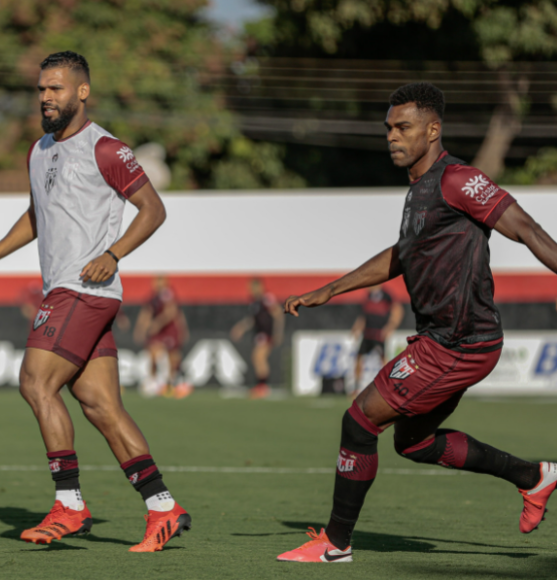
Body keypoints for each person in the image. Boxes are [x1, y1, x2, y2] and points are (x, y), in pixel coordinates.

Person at [277, 83, 557, 564]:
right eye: (388, 127)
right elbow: (401, 255)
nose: (392, 136)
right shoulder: (419, 190)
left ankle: (336, 543)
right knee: (415, 442)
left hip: (457, 344)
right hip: (445, 339)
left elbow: (527, 228)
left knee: (359, 421)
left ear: (433, 129)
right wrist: (331, 289)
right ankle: (534, 477)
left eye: (402, 127)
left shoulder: (457, 180)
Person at [0, 51, 190, 552]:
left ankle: (69, 504)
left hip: (82, 290)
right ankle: (162, 507)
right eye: (42, 89)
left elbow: (154, 209)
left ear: (81, 92)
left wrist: (114, 253)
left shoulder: (105, 148)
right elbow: (38, 213)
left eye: (56, 88)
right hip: (71, 292)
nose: (46, 97)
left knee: (34, 382)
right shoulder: (38, 150)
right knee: (100, 405)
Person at [133, 275, 191, 398]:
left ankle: (173, 383)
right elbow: (146, 313)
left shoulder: (167, 294)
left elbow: (173, 312)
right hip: (159, 332)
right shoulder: (153, 297)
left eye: (159, 282)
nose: (157, 285)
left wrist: (158, 324)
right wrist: (141, 329)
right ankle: (152, 383)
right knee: (153, 354)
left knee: (173, 359)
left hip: (170, 330)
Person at [230, 279, 284, 399]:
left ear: (260, 287)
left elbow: (278, 313)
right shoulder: (255, 303)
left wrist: (278, 333)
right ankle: (261, 385)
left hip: (267, 333)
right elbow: (252, 320)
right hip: (260, 334)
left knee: (259, 357)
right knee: (257, 358)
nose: (252, 290)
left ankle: (263, 386)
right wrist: (241, 328)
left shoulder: (266, 299)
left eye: (254, 288)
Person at [350, 285, 403, 396]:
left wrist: (390, 327)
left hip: (379, 335)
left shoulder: (386, 295)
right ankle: (356, 387)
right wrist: (357, 328)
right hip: (367, 334)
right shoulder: (368, 296)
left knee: (383, 360)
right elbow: (364, 316)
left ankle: (389, 386)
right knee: (359, 358)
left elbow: (397, 310)